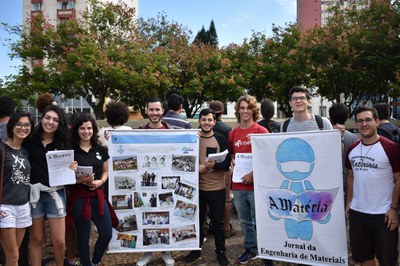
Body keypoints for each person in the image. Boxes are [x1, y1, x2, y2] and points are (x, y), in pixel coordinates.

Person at [345, 105, 400, 266]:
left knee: (388, 260)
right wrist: (349, 202)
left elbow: (398, 180)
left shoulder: (391, 148)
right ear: (356, 124)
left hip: (384, 214)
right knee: (364, 258)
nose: (364, 124)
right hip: (358, 213)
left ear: (377, 121)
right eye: (360, 121)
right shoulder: (352, 149)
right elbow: (350, 176)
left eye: (368, 120)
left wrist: (394, 208)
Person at [23, 105, 73, 266]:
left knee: (59, 241)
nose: (50, 122)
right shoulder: (30, 140)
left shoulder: (64, 142)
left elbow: (71, 167)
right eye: (47, 118)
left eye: (55, 120)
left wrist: (73, 167)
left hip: (56, 194)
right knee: (37, 239)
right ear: (42, 118)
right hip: (34, 194)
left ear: (60, 123)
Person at [67, 113, 117, 266]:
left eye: (89, 128)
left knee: (106, 233)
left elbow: (106, 171)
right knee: (83, 236)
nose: (86, 131)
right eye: (82, 128)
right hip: (79, 198)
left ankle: (96, 261)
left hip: (97, 195)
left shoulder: (100, 149)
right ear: (77, 130)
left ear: (94, 130)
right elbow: (64, 179)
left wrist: (100, 181)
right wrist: (76, 176)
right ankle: (86, 264)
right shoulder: (70, 151)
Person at [184, 108, 230, 265]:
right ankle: (195, 250)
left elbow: (226, 162)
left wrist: (213, 166)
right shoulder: (192, 138)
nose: (207, 123)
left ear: (214, 122)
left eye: (210, 120)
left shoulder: (221, 138)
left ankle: (221, 252)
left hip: (217, 188)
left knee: (218, 223)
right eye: (204, 120)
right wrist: (197, 167)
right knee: (197, 222)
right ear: (199, 121)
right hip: (196, 188)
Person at [228, 95, 270, 265]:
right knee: (245, 222)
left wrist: (253, 174)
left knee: (262, 221)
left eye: (248, 108)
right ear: (238, 111)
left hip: (257, 186)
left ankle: (268, 252)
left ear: (254, 110)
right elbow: (232, 155)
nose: (245, 111)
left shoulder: (261, 131)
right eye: (242, 108)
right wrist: (231, 164)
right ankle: (251, 249)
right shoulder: (233, 133)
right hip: (238, 186)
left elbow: (267, 159)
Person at [136, 97, 174, 266]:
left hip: (166, 184)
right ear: (146, 111)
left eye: (157, 110)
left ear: (163, 111)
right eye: (151, 109)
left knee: (167, 216)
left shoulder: (171, 131)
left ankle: (166, 251)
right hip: (147, 184)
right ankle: (147, 252)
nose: (154, 113)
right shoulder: (138, 132)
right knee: (146, 216)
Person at [0, 112, 33, 266]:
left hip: (23, 206)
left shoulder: (25, 151)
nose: (23, 128)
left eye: (27, 125)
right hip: (5, 206)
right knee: (13, 256)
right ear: (12, 126)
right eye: (19, 124)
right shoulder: (2, 149)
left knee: (14, 255)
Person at [208, 100, 234, 237]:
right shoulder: (227, 129)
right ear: (222, 112)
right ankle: (226, 227)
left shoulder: (206, 128)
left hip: (208, 169)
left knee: (208, 199)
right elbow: (230, 152)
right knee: (226, 199)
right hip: (224, 168)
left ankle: (209, 225)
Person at [329, 103, 357, 198]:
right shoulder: (353, 138)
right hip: (347, 182)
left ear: (330, 117)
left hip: (329, 181)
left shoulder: (324, 136)